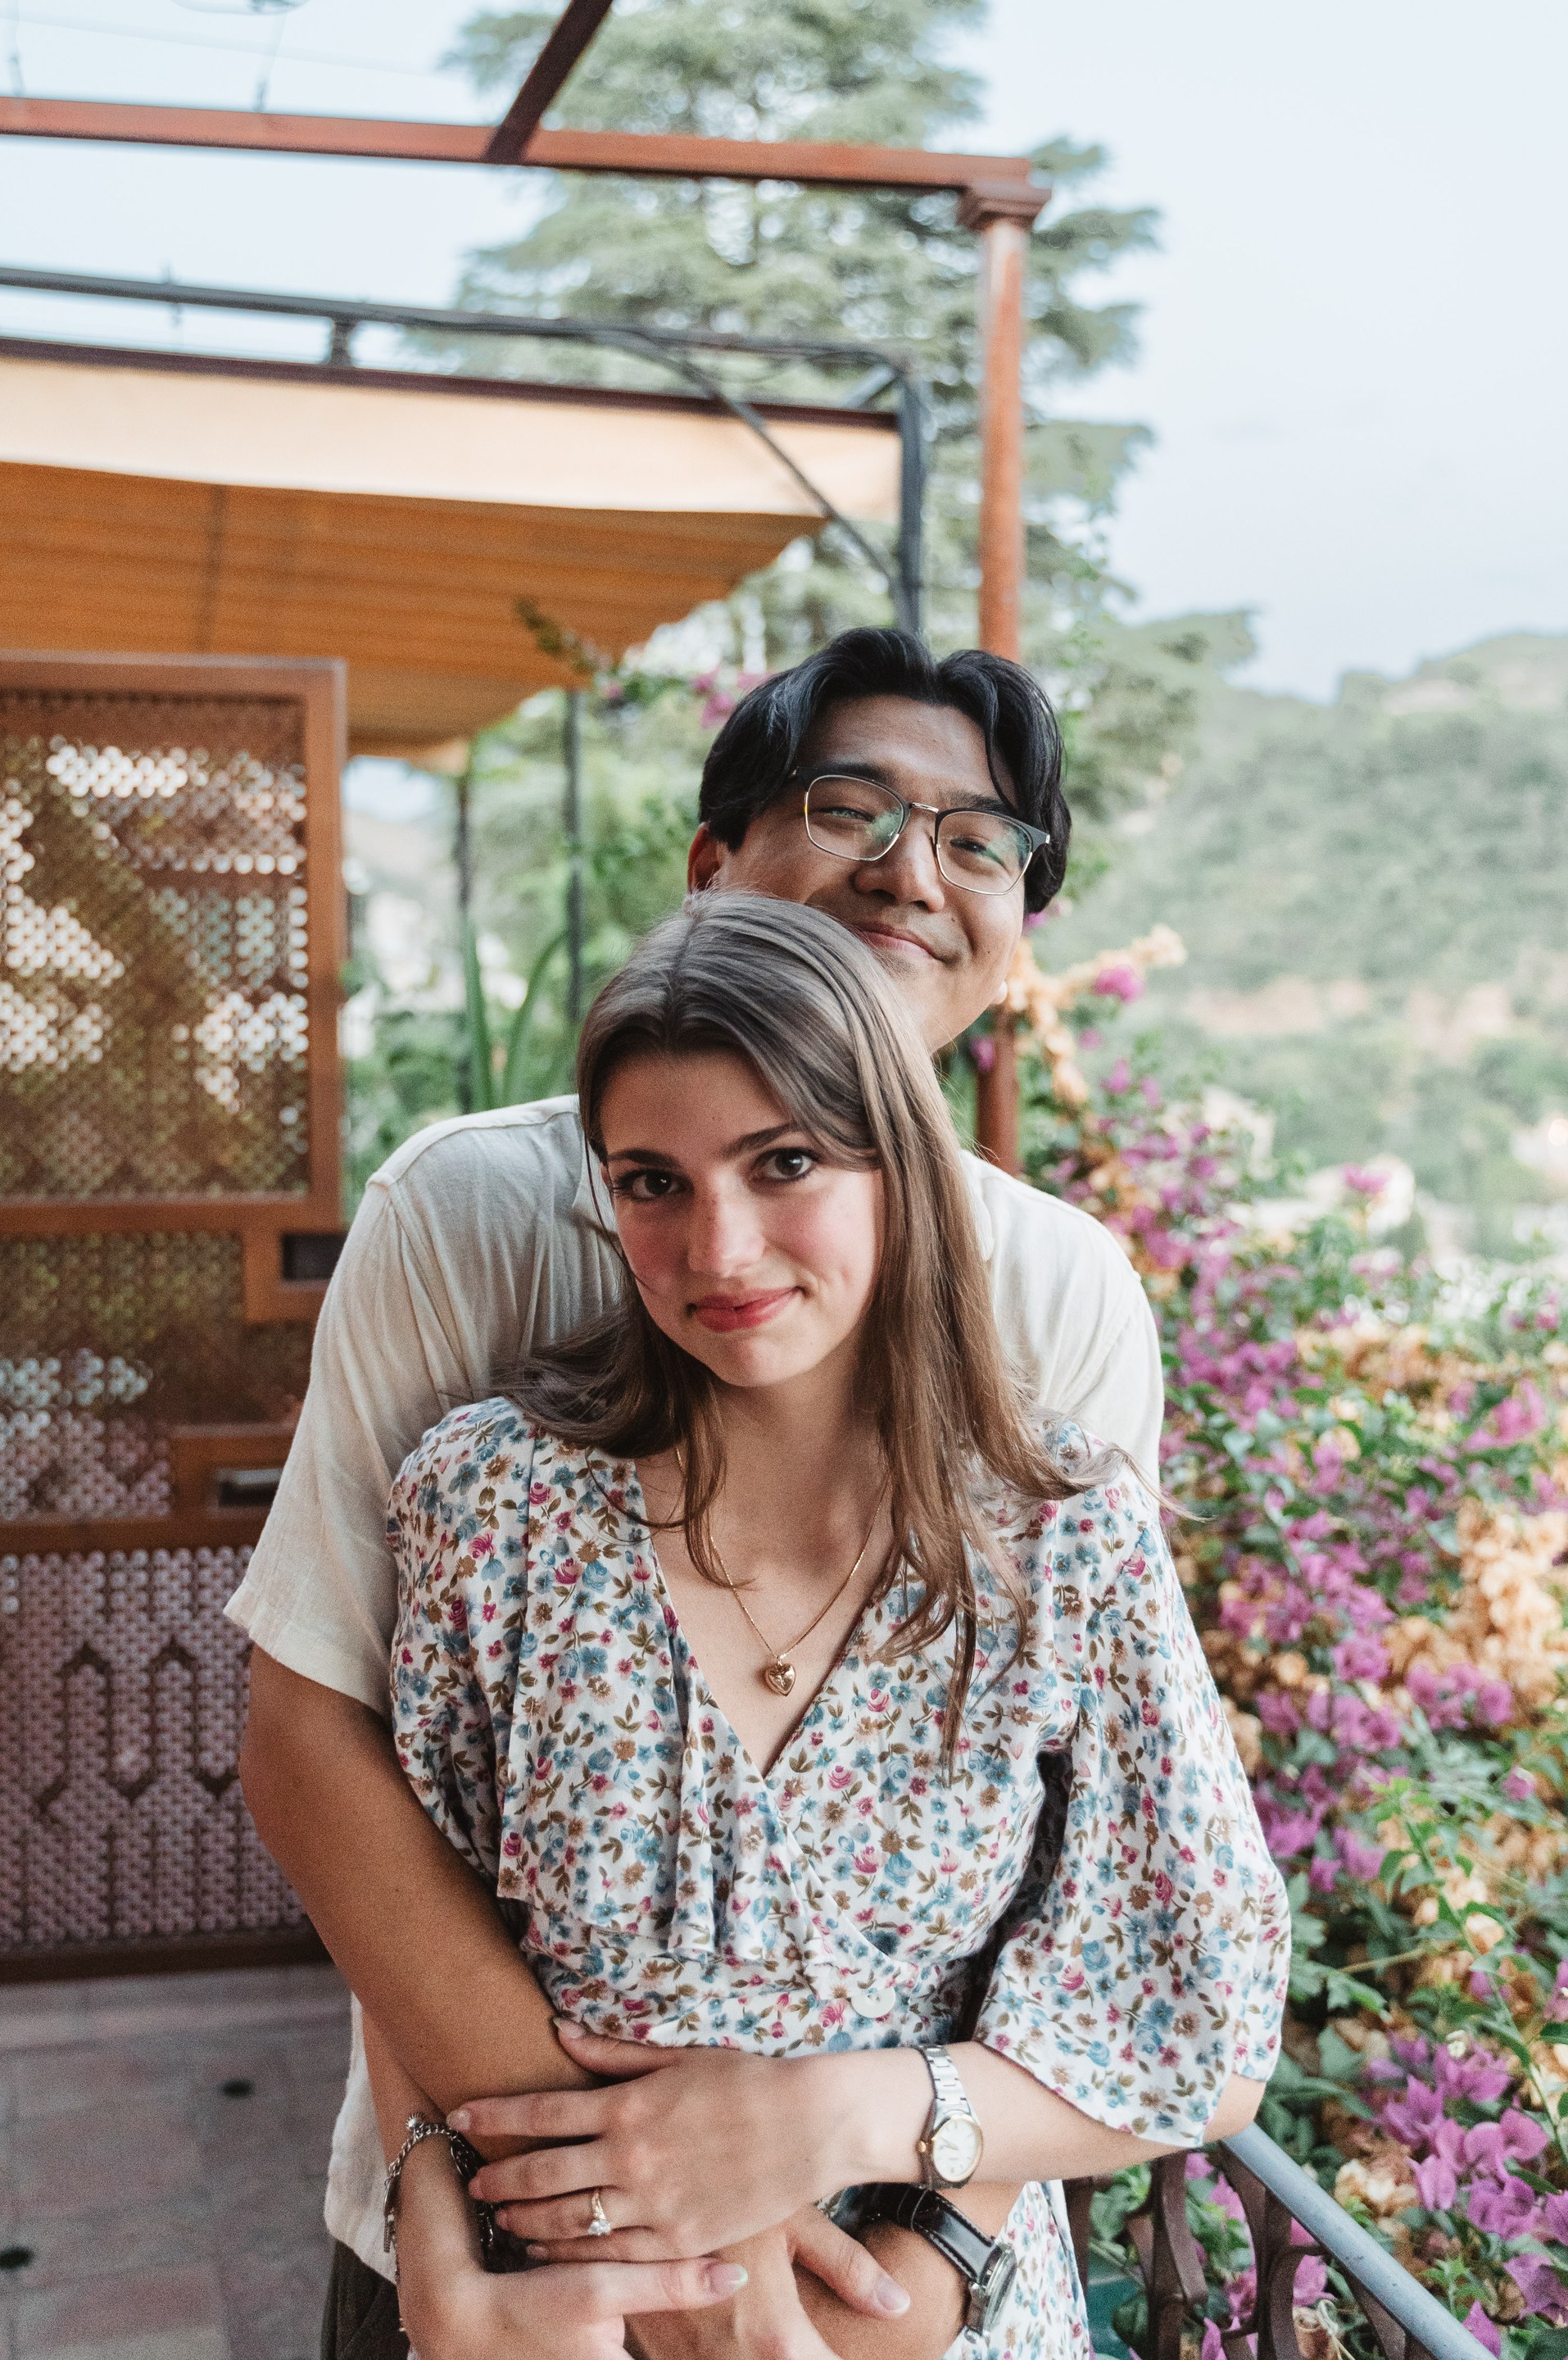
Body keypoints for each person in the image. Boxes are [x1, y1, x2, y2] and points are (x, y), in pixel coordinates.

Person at [230, 628, 1168, 2360]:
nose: (912, 874)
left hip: (905, 2285)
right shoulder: (473, 1221)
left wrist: (928, 2266)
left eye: (978, 842)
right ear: (713, 867)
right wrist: (652, 2249)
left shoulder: (1065, 1305)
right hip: (502, 2265)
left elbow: (1098, 1876)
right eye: (852, 807)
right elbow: (326, 1748)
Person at [372, 895, 1290, 2360]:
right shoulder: (494, 1506)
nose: (719, 1247)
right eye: (653, 1182)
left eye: (784, 1162)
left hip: (949, 2324)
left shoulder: (1058, 1538)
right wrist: (431, 2221)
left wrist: (843, 2118)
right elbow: (407, 1906)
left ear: (898, 1170)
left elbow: (1206, 2032)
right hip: (563, 2326)